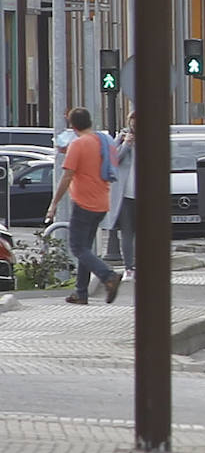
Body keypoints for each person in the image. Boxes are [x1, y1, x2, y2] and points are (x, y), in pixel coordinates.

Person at [45, 107, 123, 305]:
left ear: (72, 126)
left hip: (84, 203)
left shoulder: (78, 145)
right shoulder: (103, 140)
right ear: (89, 121)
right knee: (85, 249)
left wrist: (54, 204)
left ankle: (108, 276)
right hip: (102, 202)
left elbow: (68, 175)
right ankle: (81, 293)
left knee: (78, 247)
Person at [102, 112, 136, 282]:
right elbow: (113, 160)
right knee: (127, 233)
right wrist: (126, 145)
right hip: (125, 195)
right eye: (133, 121)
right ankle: (130, 267)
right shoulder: (121, 138)